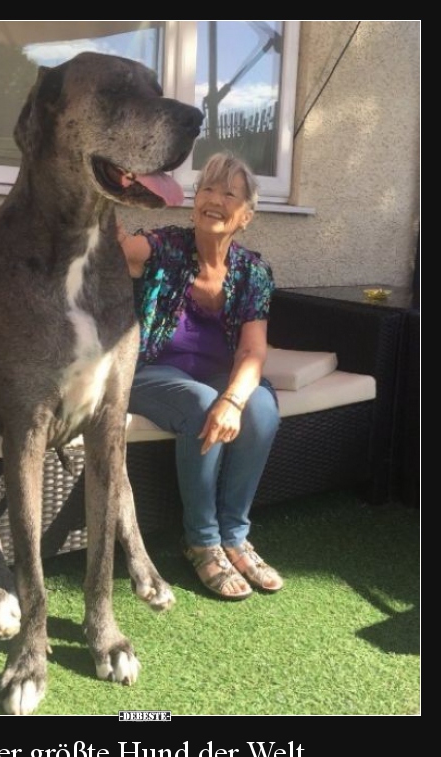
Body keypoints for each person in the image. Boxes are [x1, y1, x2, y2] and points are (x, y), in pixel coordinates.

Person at [118, 152, 284, 601]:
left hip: (215, 376)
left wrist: (234, 400)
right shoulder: (164, 246)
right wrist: (117, 190)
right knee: (200, 403)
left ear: (245, 216)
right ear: (194, 203)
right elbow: (122, 249)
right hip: (149, 372)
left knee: (261, 409)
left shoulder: (252, 272)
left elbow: (252, 351)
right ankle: (202, 540)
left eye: (229, 193)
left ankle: (235, 536)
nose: (214, 199)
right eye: (207, 188)